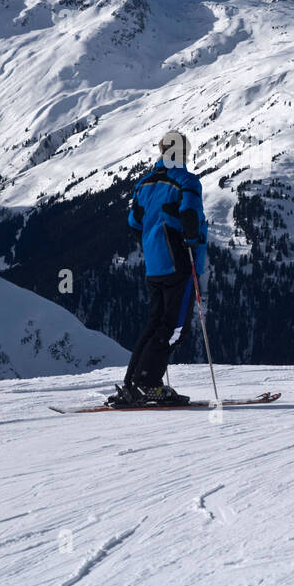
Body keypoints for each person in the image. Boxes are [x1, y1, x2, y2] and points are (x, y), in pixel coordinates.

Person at [115, 130, 208, 405]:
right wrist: (190, 242)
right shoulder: (187, 181)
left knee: (155, 322)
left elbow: (134, 222)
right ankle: (149, 384)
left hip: (154, 264)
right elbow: (190, 215)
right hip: (179, 261)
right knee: (174, 327)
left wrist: (153, 240)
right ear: (183, 152)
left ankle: (133, 382)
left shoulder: (144, 183)